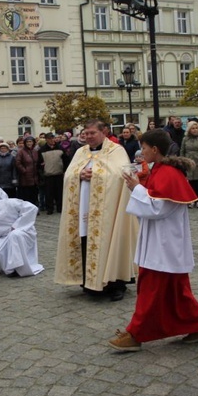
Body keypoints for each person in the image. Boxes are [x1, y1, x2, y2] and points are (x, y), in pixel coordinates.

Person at [108, 130, 198, 352]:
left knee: (151, 289)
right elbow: (155, 198)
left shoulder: (168, 173)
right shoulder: (162, 170)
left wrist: (135, 188)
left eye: (144, 148)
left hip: (164, 244)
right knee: (177, 291)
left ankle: (135, 334)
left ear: (155, 149)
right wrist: (140, 187)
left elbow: (158, 207)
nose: (142, 152)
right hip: (163, 241)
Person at [54, 119, 138, 301]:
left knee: (110, 241)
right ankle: (90, 283)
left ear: (104, 132)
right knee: (85, 240)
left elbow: (120, 175)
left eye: (92, 133)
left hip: (107, 211)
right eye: (86, 133)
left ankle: (116, 283)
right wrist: (78, 174)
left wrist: (97, 175)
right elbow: (68, 174)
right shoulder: (80, 152)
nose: (88, 136)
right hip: (83, 207)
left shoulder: (116, 151)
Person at [0, 195, 44, 277]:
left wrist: (16, 226)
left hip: (23, 232)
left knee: (14, 235)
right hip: (5, 237)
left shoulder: (9, 203)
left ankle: (17, 268)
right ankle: (10, 270)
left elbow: (32, 208)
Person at [179, 120, 198, 208]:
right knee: (190, 183)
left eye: (196, 128)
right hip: (188, 163)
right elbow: (182, 151)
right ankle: (191, 200)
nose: (195, 130)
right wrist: (182, 162)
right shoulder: (185, 139)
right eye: (193, 128)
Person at [38, 134, 67, 215]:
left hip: (59, 173)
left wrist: (65, 170)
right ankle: (49, 209)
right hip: (48, 174)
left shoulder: (60, 148)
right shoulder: (42, 150)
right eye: (49, 139)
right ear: (46, 140)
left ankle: (59, 207)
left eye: (52, 138)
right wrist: (42, 170)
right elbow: (38, 163)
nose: (51, 140)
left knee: (59, 192)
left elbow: (66, 160)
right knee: (49, 193)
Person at [15, 136, 40, 205]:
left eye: (31, 142)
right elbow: (18, 163)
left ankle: (35, 208)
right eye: (27, 142)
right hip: (25, 177)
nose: (29, 143)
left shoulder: (35, 151)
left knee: (34, 194)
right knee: (26, 195)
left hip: (34, 177)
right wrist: (24, 171)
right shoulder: (21, 152)